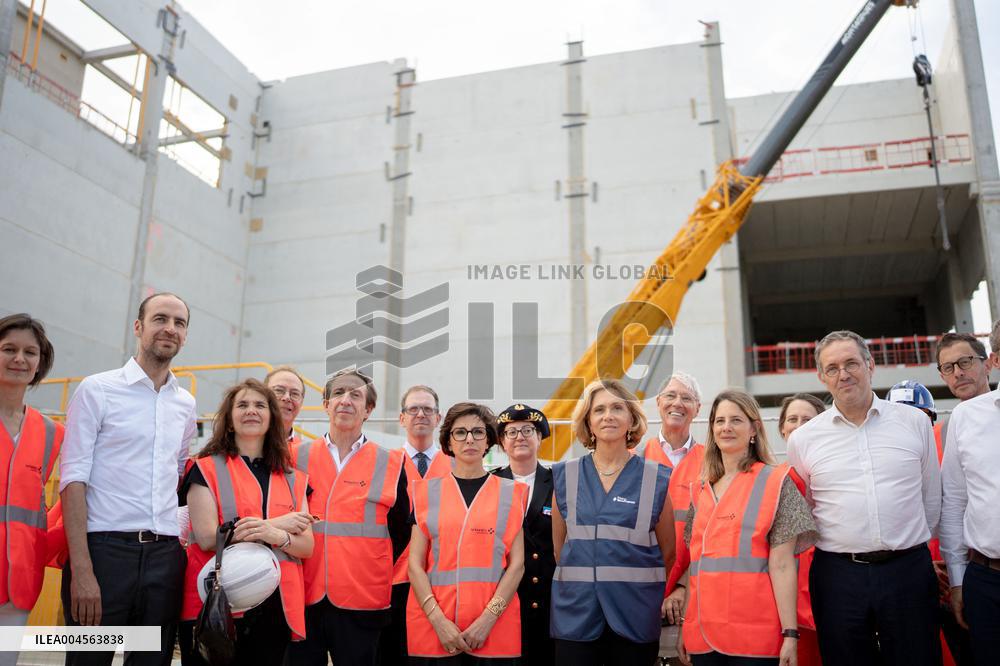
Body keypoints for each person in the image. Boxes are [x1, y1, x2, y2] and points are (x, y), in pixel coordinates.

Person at [787, 329, 941, 666]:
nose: (843, 374)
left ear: (870, 365)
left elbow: (931, 496)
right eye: (832, 368)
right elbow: (807, 507)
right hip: (838, 577)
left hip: (908, 571)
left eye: (851, 363)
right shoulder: (803, 439)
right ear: (821, 377)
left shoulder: (914, 423)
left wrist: (904, 543)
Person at [60, 292, 197, 666]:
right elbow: (72, 481)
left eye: (179, 323)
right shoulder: (97, 389)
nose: (170, 328)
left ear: (185, 335)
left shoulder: (185, 405)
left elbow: (175, 473)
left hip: (164, 558)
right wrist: (83, 570)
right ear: (138, 327)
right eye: (160, 319)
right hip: (104, 556)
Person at [678, 390, 816, 666]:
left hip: (754, 638)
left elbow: (783, 565)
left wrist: (790, 634)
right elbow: (696, 567)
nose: (726, 427)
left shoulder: (776, 482)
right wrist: (686, 625)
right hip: (702, 636)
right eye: (719, 421)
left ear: (754, 428)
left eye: (736, 420)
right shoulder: (699, 491)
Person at [179, 378, 313, 665]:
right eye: (242, 405)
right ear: (229, 421)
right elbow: (206, 537)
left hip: (274, 607)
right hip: (217, 603)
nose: (251, 410)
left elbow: (307, 546)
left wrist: (274, 534)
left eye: (260, 405)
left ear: (271, 418)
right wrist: (277, 524)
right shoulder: (204, 468)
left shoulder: (294, 478)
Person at [289, 369, 409, 666]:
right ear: (326, 404)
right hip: (304, 594)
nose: (345, 400)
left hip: (363, 599)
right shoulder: (295, 457)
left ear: (368, 410)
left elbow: (402, 531)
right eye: (339, 393)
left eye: (355, 395)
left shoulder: (391, 463)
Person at [551, 378, 675, 666]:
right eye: (599, 410)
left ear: (631, 419)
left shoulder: (654, 478)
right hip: (576, 616)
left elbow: (668, 553)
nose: (608, 416)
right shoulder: (566, 475)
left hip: (635, 614)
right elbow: (560, 549)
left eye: (617, 408)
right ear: (588, 422)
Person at [407, 402, 527, 663]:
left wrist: (488, 619)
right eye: (460, 432)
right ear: (448, 442)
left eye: (478, 432)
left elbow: (517, 565)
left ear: (488, 441)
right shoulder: (426, 493)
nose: (469, 439)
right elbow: (414, 564)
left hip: (494, 629)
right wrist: (438, 620)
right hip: (434, 628)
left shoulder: (512, 493)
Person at [0, 314, 63, 664]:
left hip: (19, 583)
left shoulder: (51, 433)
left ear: (40, 362)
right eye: (9, 349)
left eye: (30, 352)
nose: (19, 359)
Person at [940, 319, 1000, 665]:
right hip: (987, 579)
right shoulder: (964, 418)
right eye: (948, 367)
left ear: (985, 364)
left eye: (964, 362)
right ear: (996, 359)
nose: (958, 373)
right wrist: (958, 579)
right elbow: (953, 502)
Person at [382, 385, 450, 665]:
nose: (420, 414)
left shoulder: (456, 466)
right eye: (413, 409)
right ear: (402, 418)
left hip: (442, 581)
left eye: (427, 409)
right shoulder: (384, 464)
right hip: (393, 582)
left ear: (438, 417)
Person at [636, 372, 705, 630]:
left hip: (694, 592)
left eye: (686, 398)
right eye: (670, 396)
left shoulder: (712, 462)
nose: (677, 403)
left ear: (697, 408)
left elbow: (716, 534)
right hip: (640, 590)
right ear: (658, 402)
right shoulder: (635, 459)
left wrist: (683, 585)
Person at [492, 403, 555, 665]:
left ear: (539, 438)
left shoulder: (559, 482)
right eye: (511, 432)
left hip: (548, 602)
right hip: (502, 599)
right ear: (502, 443)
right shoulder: (490, 485)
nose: (520, 437)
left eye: (527, 430)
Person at [776, 393, 826, 666]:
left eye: (807, 420)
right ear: (782, 428)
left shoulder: (839, 474)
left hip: (833, 591)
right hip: (788, 601)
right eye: (792, 419)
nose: (798, 426)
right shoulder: (770, 479)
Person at [265, 365, 307, 447]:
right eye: (279, 390)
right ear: (263, 395)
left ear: (301, 403)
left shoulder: (306, 451)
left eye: (295, 393)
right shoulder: (244, 445)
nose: (287, 398)